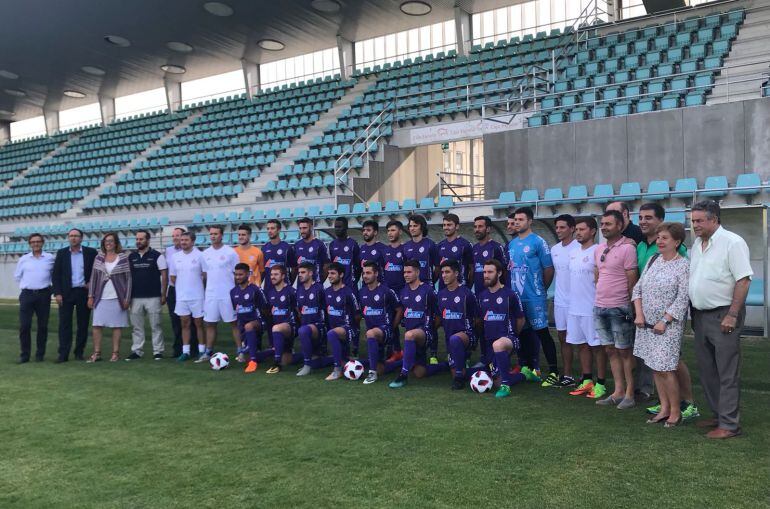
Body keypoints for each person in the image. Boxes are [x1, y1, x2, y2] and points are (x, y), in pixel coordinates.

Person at [689, 200, 752, 439]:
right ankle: (718, 414)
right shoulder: (697, 244)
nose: (695, 225)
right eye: (693, 221)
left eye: (699, 221)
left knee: (726, 371)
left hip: (724, 314)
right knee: (708, 371)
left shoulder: (732, 242)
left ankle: (729, 424)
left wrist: (732, 314)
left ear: (714, 219)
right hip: (701, 315)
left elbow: (743, 280)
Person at [637, 203, 699, 420]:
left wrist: (664, 320)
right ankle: (664, 407)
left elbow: (682, 298)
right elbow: (638, 289)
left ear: (677, 242)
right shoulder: (653, 260)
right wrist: (639, 314)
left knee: (666, 367)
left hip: (667, 326)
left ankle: (675, 411)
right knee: (655, 367)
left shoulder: (683, 265)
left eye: (665, 238)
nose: (660, 242)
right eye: (659, 237)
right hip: (646, 324)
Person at [593, 210, 639, 409]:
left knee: (625, 351)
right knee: (610, 350)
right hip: (600, 305)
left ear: (620, 226)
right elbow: (598, 275)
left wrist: (630, 304)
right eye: (602, 224)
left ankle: (630, 393)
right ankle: (618, 391)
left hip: (620, 306)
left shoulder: (628, 248)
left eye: (608, 224)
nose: (604, 227)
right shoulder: (599, 248)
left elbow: (632, 279)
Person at [507, 207, 557, 384]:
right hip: (517, 298)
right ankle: (526, 367)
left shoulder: (538, 242)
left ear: (530, 222)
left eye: (521, 219)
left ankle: (553, 372)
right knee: (521, 332)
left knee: (542, 333)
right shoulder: (512, 244)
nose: (517, 222)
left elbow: (548, 269)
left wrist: (540, 289)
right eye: (516, 220)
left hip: (534, 297)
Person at [566, 218, 608, 400]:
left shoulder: (597, 251)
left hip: (591, 307)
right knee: (581, 344)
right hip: (574, 307)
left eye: (582, 229)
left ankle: (601, 383)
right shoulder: (574, 252)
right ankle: (587, 379)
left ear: (592, 231)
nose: (578, 232)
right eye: (577, 229)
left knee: (597, 346)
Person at [478, 259, 526, 398]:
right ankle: (524, 375)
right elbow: (481, 321)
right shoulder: (482, 296)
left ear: (499, 273)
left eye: (490, 272)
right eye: (484, 272)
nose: (486, 275)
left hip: (508, 339)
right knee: (495, 381)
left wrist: (512, 336)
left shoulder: (510, 294)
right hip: (489, 344)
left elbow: (521, 319)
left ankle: (506, 386)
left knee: (498, 344)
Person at [389, 260, 438, 389]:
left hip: (425, 333)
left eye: (409, 272)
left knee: (410, 335)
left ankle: (403, 375)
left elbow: (438, 314)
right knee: (419, 372)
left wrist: (431, 329)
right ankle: (446, 366)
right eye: (404, 272)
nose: (406, 274)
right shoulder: (403, 292)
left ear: (417, 272)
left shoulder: (428, 291)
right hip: (411, 337)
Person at [52, 228, 97, 362]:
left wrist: (91, 283)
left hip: (83, 292)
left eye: (76, 236)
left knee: (82, 324)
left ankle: (79, 352)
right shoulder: (62, 253)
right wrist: (58, 293)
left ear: (81, 238)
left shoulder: (91, 253)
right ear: (68, 238)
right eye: (71, 236)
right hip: (66, 293)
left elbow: (97, 272)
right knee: (64, 324)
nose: (73, 238)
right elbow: (56, 275)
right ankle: (63, 354)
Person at [87, 233, 132, 363]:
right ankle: (97, 353)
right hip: (100, 297)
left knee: (117, 326)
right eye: (106, 241)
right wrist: (90, 296)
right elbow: (93, 277)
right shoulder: (99, 258)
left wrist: (127, 298)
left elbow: (128, 279)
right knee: (97, 325)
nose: (109, 243)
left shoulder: (123, 258)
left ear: (116, 243)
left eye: (111, 241)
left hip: (118, 297)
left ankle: (115, 353)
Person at [199, 226, 241, 363]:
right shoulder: (205, 254)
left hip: (227, 293)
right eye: (211, 234)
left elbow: (237, 274)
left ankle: (240, 351)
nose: (213, 236)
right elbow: (205, 274)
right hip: (211, 294)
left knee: (234, 323)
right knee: (210, 323)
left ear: (221, 235)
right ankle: (208, 351)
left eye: (216, 234)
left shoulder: (230, 252)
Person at [437, 259, 479, 390]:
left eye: (447, 272)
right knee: (457, 371)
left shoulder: (467, 294)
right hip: (451, 342)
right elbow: (439, 318)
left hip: (467, 336)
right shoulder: (441, 295)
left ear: (456, 273)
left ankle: (460, 377)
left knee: (458, 375)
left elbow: (478, 319)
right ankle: (487, 368)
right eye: (442, 272)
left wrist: (474, 337)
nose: (444, 275)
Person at [548, 214, 579, 387]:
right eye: (557, 227)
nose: (558, 230)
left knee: (583, 342)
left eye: (562, 227)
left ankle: (588, 376)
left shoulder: (579, 248)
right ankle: (568, 376)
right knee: (563, 338)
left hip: (578, 301)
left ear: (572, 228)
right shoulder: (555, 249)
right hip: (560, 301)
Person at [403, 214, 440, 362]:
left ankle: (433, 353)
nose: (412, 228)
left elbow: (437, 267)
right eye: (410, 226)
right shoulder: (406, 247)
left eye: (415, 226)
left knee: (430, 319)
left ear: (422, 227)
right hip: (411, 288)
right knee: (413, 318)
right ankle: (415, 351)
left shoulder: (430, 245)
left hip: (426, 286)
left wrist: (429, 282)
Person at [359, 261, 403, 384]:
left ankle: (372, 374)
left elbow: (399, 309)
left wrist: (392, 328)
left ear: (376, 274)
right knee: (381, 369)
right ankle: (402, 362)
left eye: (368, 273)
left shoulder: (386, 291)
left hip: (385, 330)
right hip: (372, 333)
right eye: (363, 273)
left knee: (371, 334)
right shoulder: (361, 292)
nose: (365, 276)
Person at [126, 230, 167, 361]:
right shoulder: (131, 257)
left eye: (141, 239)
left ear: (148, 240)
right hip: (135, 297)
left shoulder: (157, 256)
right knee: (137, 327)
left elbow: (164, 276)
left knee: (156, 325)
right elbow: (127, 277)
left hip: (153, 296)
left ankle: (158, 351)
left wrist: (163, 294)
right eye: (137, 239)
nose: (138, 241)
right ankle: (137, 350)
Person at [14, 233, 54, 363]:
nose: (35, 244)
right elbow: (17, 276)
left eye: (38, 241)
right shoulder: (23, 259)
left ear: (42, 243)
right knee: (25, 326)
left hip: (44, 295)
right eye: (33, 242)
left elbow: (55, 276)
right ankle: (25, 355)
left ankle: (39, 355)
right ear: (30, 244)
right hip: (27, 295)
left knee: (42, 326)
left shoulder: (50, 258)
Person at [171, 232, 207, 362]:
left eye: (186, 240)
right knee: (184, 323)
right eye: (181, 240)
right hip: (181, 297)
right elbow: (173, 277)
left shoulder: (200, 255)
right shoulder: (175, 257)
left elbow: (205, 275)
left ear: (193, 241)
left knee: (199, 323)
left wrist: (196, 287)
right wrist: (183, 288)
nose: (183, 242)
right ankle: (185, 351)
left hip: (197, 296)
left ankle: (202, 351)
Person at [324, 262, 361, 381]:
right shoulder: (327, 292)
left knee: (332, 333)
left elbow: (357, 314)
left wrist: (352, 330)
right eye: (329, 273)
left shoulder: (348, 292)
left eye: (333, 273)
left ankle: (337, 370)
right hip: (334, 328)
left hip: (347, 328)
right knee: (344, 357)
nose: (329, 276)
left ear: (341, 275)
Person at [231, 263, 268, 374]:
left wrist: (262, 322)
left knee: (249, 326)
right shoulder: (233, 292)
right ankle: (270, 351)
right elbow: (238, 312)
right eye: (236, 274)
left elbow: (265, 309)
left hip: (258, 322)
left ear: (248, 274)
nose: (238, 277)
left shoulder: (255, 290)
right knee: (254, 351)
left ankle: (252, 362)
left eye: (241, 274)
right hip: (243, 327)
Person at [165, 227, 196, 358]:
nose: (176, 238)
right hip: (173, 289)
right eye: (174, 236)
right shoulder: (168, 251)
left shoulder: (195, 253)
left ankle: (193, 348)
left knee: (192, 321)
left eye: (178, 235)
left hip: (188, 288)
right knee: (176, 320)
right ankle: (178, 348)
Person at [264, 264, 299, 374]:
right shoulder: (270, 292)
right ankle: (310, 356)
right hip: (277, 331)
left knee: (276, 328)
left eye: (276, 274)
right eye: (271, 275)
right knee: (287, 361)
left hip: (290, 326)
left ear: (283, 276)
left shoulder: (291, 291)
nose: (273, 277)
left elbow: (299, 311)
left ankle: (276, 363)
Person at [295, 261, 327, 376]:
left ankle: (307, 365)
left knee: (303, 330)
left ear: (310, 273)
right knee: (317, 362)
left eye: (303, 272)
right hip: (306, 327)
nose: (300, 275)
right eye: (299, 272)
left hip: (319, 327)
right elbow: (299, 311)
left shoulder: (319, 288)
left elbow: (325, 308)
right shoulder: (299, 290)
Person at [382, 220, 406, 362]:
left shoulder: (405, 249)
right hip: (389, 293)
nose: (390, 233)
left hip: (403, 291)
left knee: (409, 322)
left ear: (400, 232)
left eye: (393, 230)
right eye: (388, 231)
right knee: (391, 322)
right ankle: (395, 350)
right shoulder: (384, 251)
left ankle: (413, 353)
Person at [471, 215, 508, 295]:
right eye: (475, 227)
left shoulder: (496, 247)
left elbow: (504, 272)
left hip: (495, 295)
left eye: (480, 226)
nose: (477, 229)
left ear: (488, 229)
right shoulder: (474, 248)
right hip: (478, 294)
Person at [437, 213, 473, 290]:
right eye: (444, 225)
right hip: (443, 289)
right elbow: (437, 269)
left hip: (461, 288)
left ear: (457, 226)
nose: (446, 227)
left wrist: (468, 287)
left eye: (449, 225)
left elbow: (472, 268)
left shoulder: (465, 245)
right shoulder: (440, 245)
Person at [261, 219, 296, 290]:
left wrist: (289, 283)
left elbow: (294, 268)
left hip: (284, 288)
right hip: (268, 289)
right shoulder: (264, 248)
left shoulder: (287, 248)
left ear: (279, 230)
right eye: (268, 229)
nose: (269, 231)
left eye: (272, 228)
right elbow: (262, 270)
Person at [329, 216, 361, 291]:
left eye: (339, 227)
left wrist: (353, 281)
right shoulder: (332, 244)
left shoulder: (353, 244)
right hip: (336, 285)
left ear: (346, 227)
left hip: (350, 286)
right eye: (336, 227)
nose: (337, 229)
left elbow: (358, 267)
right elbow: (331, 265)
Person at [294, 217, 328, 284]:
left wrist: (319, 282)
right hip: (301, 286)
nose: (302, 231)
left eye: (304, 228)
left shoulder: (320, 244)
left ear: (311, 227)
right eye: (300, 228)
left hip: (316, 285)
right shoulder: (297, 245)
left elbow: (326, 267)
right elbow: (294, 268)